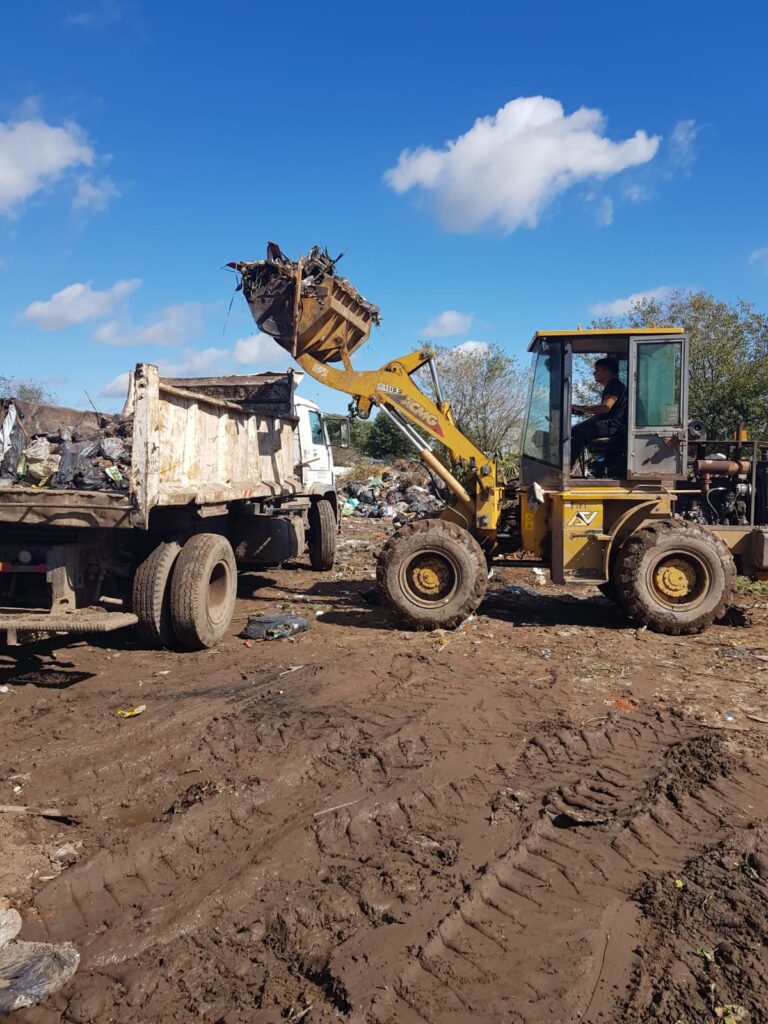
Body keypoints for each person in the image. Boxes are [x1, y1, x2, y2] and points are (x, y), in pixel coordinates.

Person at [570, 356, 627, 468]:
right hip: (608, 424)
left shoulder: (614, 385)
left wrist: (582, 408)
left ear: (606, 371)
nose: (594, 373)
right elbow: (598, 416)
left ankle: (566, 467)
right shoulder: (611, 386)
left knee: (578, 435)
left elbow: (605, 407)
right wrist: (574, 427)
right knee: (574, 432)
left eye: (597, 370)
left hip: (613, 426)